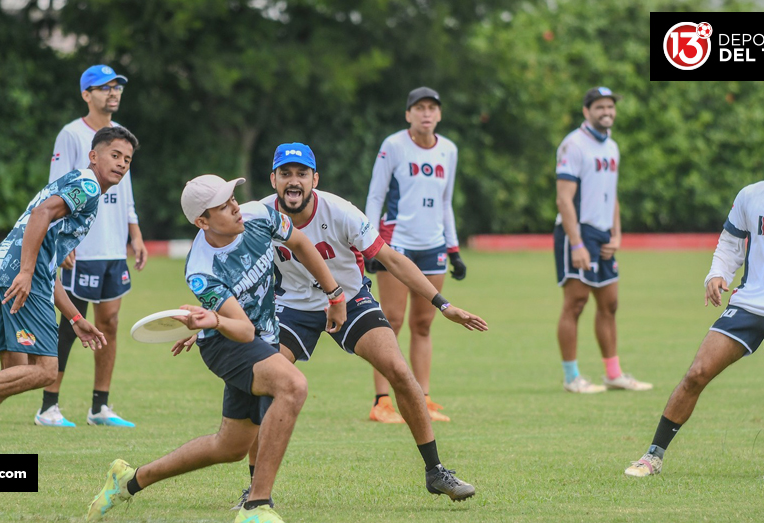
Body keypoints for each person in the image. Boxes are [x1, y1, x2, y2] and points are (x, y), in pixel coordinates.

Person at [227, 143, 485, 507]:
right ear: (273, 180)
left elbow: (391, 260)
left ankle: (435, 471)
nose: (294, 181)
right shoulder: (257, 213)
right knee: (267, 386)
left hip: (349, 300)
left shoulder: (341, 212)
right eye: (285, 174)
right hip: (291, 307)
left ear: (315, 179)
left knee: (398, 369)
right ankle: (255, 489)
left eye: (302, 173)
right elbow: (215, 231)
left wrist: (443, 304)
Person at [86, 175, 347, 523]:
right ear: (202, 221)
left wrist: (335, 293)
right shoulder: (202, 270)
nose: (235, 207)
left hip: (260, 338)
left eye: (233, 198)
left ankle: (128, 481)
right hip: (229, 345)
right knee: (293, 385)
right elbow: (241, 330)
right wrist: (215, 323)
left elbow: (299, 241)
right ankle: (256, 506)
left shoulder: (259, 215)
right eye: (223, 206)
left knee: (230, 447)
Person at [624, 119, 764, 480]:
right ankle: (652, 456)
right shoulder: (750, 196)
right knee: (697, 372)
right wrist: (717, 275)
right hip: (747, 304)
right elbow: (730, 242)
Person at [0, 126, 138, 455]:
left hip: (1, 271)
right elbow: (41, 216)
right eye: (115, 155)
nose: (122, 163)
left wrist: (75, 317)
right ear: (94, 156)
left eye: (127, 159)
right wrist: (26, 272)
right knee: (45, 371)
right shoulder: (87, 185)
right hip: (22, 275)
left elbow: (46, 257)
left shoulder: (74, 186)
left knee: (15, 374)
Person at [36, 64, 148, 428]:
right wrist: (61, 239)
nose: (112, 92)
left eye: (117, 87)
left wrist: (135, 234)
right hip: (81, 245)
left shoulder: (120, 136)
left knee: (110, 323)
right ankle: (48, 407)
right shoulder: (71, 134)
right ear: (86, 94)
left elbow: (125, 190)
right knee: (71, 323)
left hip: (114, 248)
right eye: (103, 87)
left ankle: (100, 407)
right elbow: (56, 191)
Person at [364, 86, 466, 423]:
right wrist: (367, 241)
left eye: (432, 108)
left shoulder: (448, 150)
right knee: (389, 322)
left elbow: (446, 202)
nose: (426, 113)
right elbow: (376, 196)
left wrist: (453, 249)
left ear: (439, 114)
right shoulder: (393, 146)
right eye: (419, 107)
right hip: (396, 245)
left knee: (423, 324)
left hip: (432, 245)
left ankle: (422, 398)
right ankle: (383, 401)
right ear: (408, 114)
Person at [553, 86, 651, 393]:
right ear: (586, 111)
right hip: (578, 231)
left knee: (610, 304)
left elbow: (612, 195)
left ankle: (613, 373)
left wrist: (617, 233)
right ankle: (572, 377)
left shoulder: (612, 147)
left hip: (604, 234)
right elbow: (564, 200)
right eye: (600, 107)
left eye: (610, 107)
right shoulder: (573, 145)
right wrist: (577, 243)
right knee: (576, 303)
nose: (606, 112)